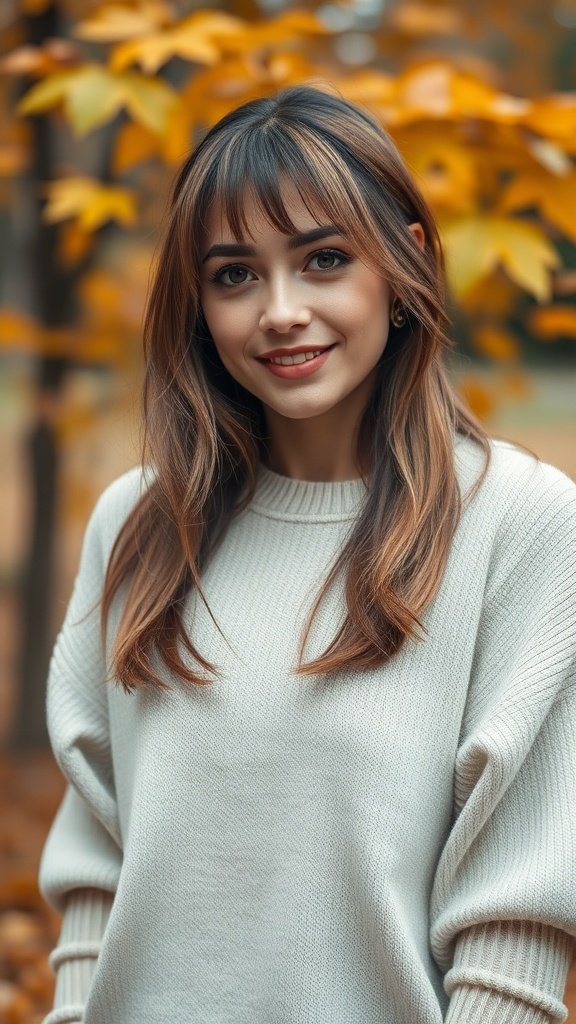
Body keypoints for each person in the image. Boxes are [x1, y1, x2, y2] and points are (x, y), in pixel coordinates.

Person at [39, 84, 576, 1024]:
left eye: (324, 259)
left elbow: (518, 926)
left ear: (404, 260)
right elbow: (97, 870)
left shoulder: (524, 525)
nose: (281, 311)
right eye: (234, 274)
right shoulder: (137, 524)